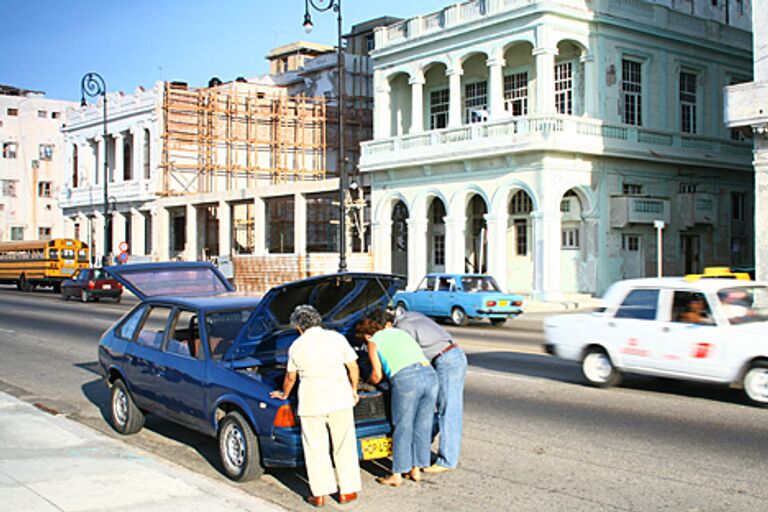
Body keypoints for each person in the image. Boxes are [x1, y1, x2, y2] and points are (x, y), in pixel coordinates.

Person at [270, 305, 361, 507]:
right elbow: (353, 366)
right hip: (339, 398)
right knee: (344, 444)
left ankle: (319, 494)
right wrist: (353, 390)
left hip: (312, 401)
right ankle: (347, 491)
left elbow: (290, 377)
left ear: (298, 327)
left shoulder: (296, 346)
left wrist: (284, 393)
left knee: (315, 447)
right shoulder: (336, 338)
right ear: (317, 320)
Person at [355, 318, 438, 487]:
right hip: (429, 374)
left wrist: (365, 383)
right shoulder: (400, 333)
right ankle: (416, 469)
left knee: (403, 426)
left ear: (367, 336)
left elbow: (377, 375)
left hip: (407, 379)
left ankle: (397, 474)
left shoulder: (374, 342)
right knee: (422, 424)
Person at [391, 310, 467, 473]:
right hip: (452, 355)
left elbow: (406, 353)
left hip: (446, 360)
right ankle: (421, 446)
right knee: (437, 408)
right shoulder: (412, 315)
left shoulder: (402, 327)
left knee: (448, 410)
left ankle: (447, 461)